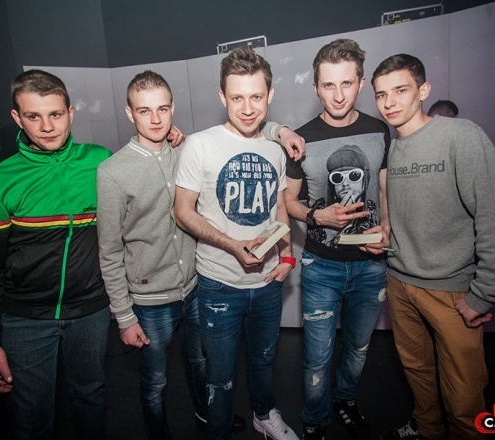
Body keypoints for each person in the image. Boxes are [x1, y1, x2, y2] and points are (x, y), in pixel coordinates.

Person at [0, 69, 186, 440]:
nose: (47, 126)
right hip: (26, 318)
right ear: (17, 118)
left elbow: (142, 164)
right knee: (31, 416)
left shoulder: (99, 162)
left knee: (91, 398)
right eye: (34, 116)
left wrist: (170, 139)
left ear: (71, 113)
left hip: (90, 312)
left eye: (55, 114)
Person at [97, 70, 304, 440]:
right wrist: (124, 316)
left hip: (193, 287)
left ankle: (211, 418)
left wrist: (281, 130)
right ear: (130, 113)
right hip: (154, 296)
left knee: (203, 365)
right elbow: (110, 250)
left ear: (172, 108)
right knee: (156, 381)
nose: (156, 119)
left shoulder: (183, 146)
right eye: (144, 111)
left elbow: (255, 137)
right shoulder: (114, 171)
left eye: (162, 109)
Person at [371, 54, 495, 440]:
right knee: (418, 375)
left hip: (451, 292)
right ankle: (426, 429)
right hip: (400, 284)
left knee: (464, 396)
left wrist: (483, 295)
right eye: (381, 94)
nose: (389, 102)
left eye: (400, 90)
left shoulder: (461, 136)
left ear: (423, 90)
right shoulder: (393, 148)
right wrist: (386, 231)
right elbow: (404, 210)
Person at [174, 47, 300, 440]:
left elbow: (279, 208)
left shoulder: (275, 148)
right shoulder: (200, 145)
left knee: (264, 361)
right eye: (237, 97)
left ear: (270, 94)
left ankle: (264, 415)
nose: (247, 108)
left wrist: (287, 256)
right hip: (219, 285)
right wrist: (231, 245)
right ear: (222, 97)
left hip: (267, 283)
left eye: (256, 97)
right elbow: (182, 211)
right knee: (221, 376)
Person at [283, 39, 391, 440]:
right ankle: (314, 419)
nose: (339, 94)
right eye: (329, 85)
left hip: (371, 266)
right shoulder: (301, 139)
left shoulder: (379, 131)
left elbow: (384, 189)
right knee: (316, 357)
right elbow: (288, 202)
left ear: (360, 83)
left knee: (358, 349)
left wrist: (387, 228)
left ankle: (345, 399)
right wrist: (318, 215)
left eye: (347, 83)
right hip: (321, 267)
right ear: (316, 88)